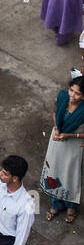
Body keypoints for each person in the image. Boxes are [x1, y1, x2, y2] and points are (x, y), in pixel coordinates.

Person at [42, 78, 84, 222]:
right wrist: (57, 128)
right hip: (56, 140)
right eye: (71, 90)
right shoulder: (62, 97)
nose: (72, 96)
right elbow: (54, 113)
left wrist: (69, 135)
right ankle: (56, 204)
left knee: (70, 175)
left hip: (74, 146)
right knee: (54, 171)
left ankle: (71, 206)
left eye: (77, 94)